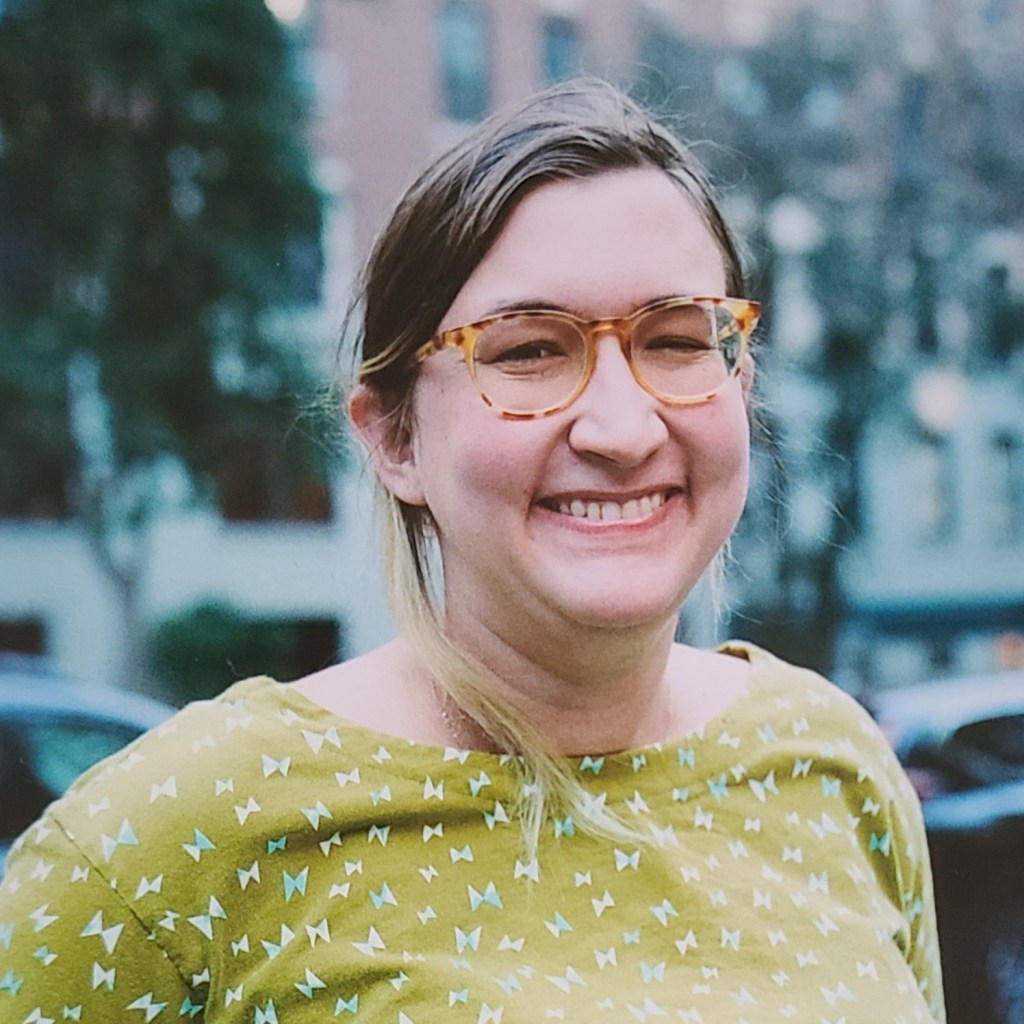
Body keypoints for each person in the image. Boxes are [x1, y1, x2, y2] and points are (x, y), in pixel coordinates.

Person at [0, 80, 944, 1023]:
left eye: (675, 339)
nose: (622, 427)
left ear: (740, 380)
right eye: (529, 351)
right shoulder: (170, 843)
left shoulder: (835, 763)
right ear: (394, 440)